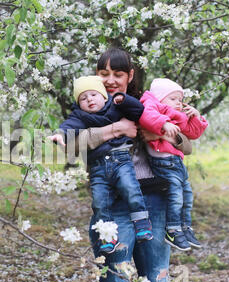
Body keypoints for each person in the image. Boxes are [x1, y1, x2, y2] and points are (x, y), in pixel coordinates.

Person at [60, 47, 192, 282]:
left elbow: (187, 145)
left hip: (154, 201)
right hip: (114, 204)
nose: (110, 80)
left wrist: (162, 133)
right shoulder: (88, 107)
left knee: (156, 280)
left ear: (130, 75)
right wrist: (115, 129)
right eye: (103, 73)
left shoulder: (146, 104)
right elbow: (71, 145)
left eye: (117, 73)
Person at [48, 75, 153, 255]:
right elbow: (69, 126)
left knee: (131, 188)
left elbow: (139, 111)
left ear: (104, 96)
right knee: (99, 202)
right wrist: (60, 135)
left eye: (93, 95)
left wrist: (123, 99)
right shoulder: (80, 117)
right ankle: (106, 235)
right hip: (97, 167)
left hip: (120, 159)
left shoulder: (115, 106)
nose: (89, 100)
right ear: (78, 103)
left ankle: (142, 222)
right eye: (83, 98)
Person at [139, 78, 208, 250]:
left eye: (180, 99)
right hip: (163, 161)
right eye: (173, 98)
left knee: (187, 196)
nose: (178, 102)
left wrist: (196, 117)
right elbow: (146, 115)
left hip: (176, 162)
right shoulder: (152, 103)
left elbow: (191, 134)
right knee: (176, 196)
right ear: (160, 97)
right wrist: (164, 123)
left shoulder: (178, 115)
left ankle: (186, 227)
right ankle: (173, 229)